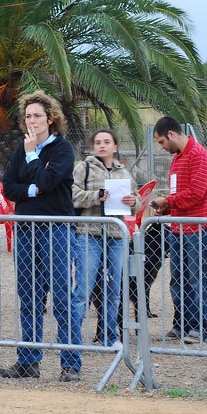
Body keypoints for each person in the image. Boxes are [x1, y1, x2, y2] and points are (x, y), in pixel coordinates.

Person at [0, 91, 78, 382]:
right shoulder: (21, 149)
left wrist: (33, 157)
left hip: (56, 229)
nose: (31, 121)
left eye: (37, 116)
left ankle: (71, 363)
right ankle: (28, 361)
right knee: (28, 296)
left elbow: (49, 180)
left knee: (61, 297)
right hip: (25, 229)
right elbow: (9, 186)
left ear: (51, 118)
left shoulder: (62, 149)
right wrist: (33, 190)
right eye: (27, 116)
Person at [151, 116, 207, 344]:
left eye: (161, 141)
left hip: (197, 228)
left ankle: (200, 327)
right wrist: (168, 208)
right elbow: (180, 195)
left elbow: (196, 193)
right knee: (178, 279)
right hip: (178, 227)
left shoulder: (198, 154)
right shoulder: (178, 158)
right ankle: (182, 323)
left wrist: (167, 202)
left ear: (171, 134)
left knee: (197, 279)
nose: (161, 146)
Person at [71, 128, 138, 349]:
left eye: (107, 141)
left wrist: (133, 202)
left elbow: (136, 201)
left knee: (114, 290)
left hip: (116, 236)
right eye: (98, 142)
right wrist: (96, 196)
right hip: (88, 234)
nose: (102, 145)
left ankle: (109, 336)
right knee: (84, 288)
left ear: (115, 146)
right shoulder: (84, 168)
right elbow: (72, 195)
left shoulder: (124, 172)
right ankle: (72, 338)